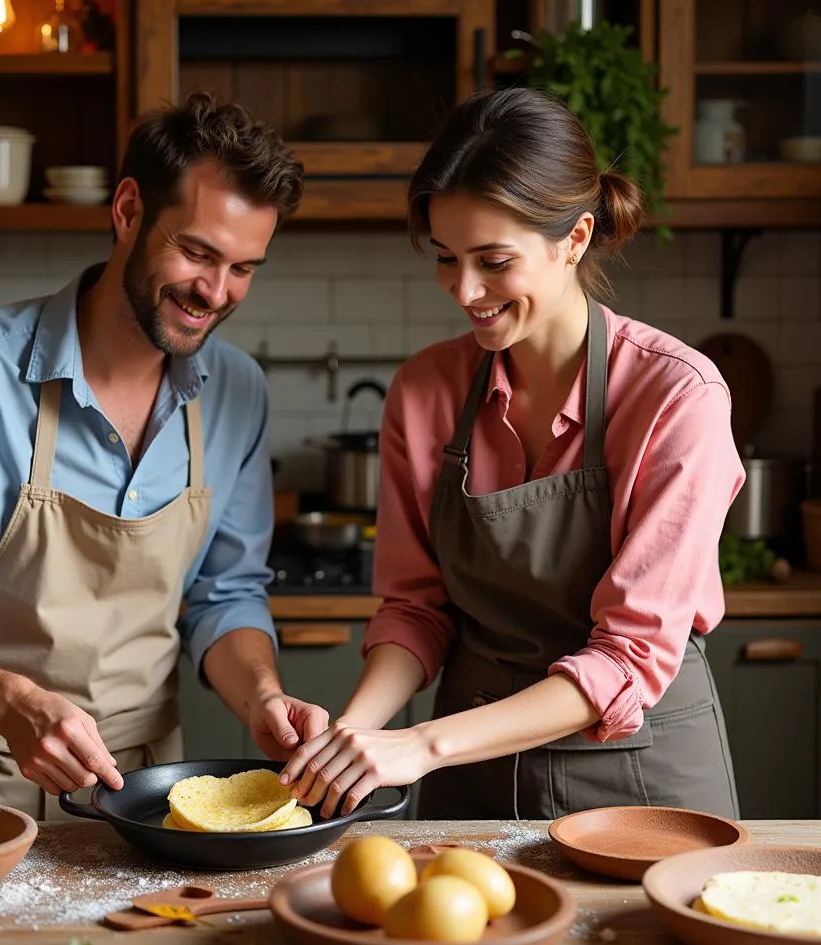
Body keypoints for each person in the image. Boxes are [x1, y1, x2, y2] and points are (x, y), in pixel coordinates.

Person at [0, 91, 330, 819]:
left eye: (244, 268)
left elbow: (226, 594)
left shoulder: (237, 392)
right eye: (196, 252)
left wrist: (262, 695)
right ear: (127, 211)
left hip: (152, 794)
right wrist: (9, 702)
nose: (215, 294)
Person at [280, 88, 745, 822]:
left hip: (641, 785)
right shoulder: (424, 390)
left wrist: (421, 746)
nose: (464, 291)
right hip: (473, 777)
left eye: (493, 261)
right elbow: (416, 609)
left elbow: (628, 656)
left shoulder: (676, 397)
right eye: (445, 258)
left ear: (576, 238)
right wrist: (354, 733)